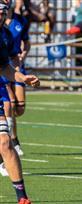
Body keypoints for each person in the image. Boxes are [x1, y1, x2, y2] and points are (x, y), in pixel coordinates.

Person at [0, 0, 40, 204]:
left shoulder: (2, 36)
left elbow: (5, 67)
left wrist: (22, 78)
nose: (0, 16)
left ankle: (22, 198)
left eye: (2, 12)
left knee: (5, 143)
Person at [5, 0, 30, 157]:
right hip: (3, 68)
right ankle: (12, 140)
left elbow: (26, 42)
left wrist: (23, 54)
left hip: (17, 66)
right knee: (10, 104)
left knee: (19, 109)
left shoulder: (21, 20)